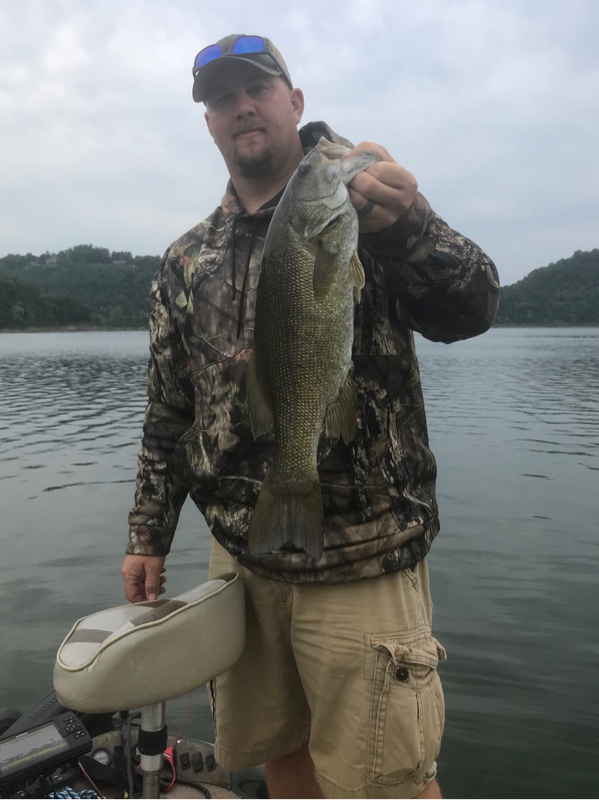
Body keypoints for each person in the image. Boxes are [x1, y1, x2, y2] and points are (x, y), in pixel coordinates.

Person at [121, 34, 500, 799]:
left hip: (362, 555)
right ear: (208, 122)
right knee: (279, 754)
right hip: (242, 557)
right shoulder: (185, 260)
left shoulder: (367, 206)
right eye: (221, 98)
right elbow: (169, 409)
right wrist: (147, 534)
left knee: (387, 780)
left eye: (256, 88)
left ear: (293, 102)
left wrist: (409, 228)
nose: (241, 107)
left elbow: (471, 309)